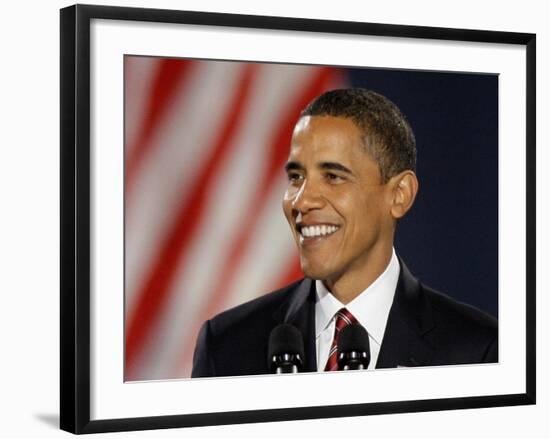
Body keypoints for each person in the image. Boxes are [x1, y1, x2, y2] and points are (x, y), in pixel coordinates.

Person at [191, 88, 497, 378]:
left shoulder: (478, 350)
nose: (302, 200)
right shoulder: (226, 346)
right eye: (296, 177)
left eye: (333, 176)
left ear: (399, 195)